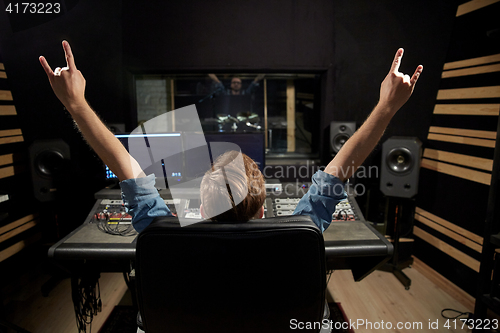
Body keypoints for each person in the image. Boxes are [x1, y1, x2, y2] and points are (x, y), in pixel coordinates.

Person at [39, 41, 422, 234]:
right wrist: (387, 107)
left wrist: (76, 104)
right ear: (261, 211)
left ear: (199, 210)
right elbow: (342, 168)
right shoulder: (301, 229)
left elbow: (123, 163)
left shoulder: (160, 227)